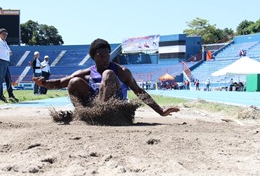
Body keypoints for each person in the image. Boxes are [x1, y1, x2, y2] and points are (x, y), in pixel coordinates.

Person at [33, 38, 179, 117]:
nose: (105, 59)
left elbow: (139, 91)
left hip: (117, 112)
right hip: (94, 108)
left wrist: (160, 111)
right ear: (93, 57)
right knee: (74, 81)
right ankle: (83, 115)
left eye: (107, 55)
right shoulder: (87, 72)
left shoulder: (122, 71)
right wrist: (44, 83)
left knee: (108, 74)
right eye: (101, 56)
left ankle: (101, 112)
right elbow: (60, 83)